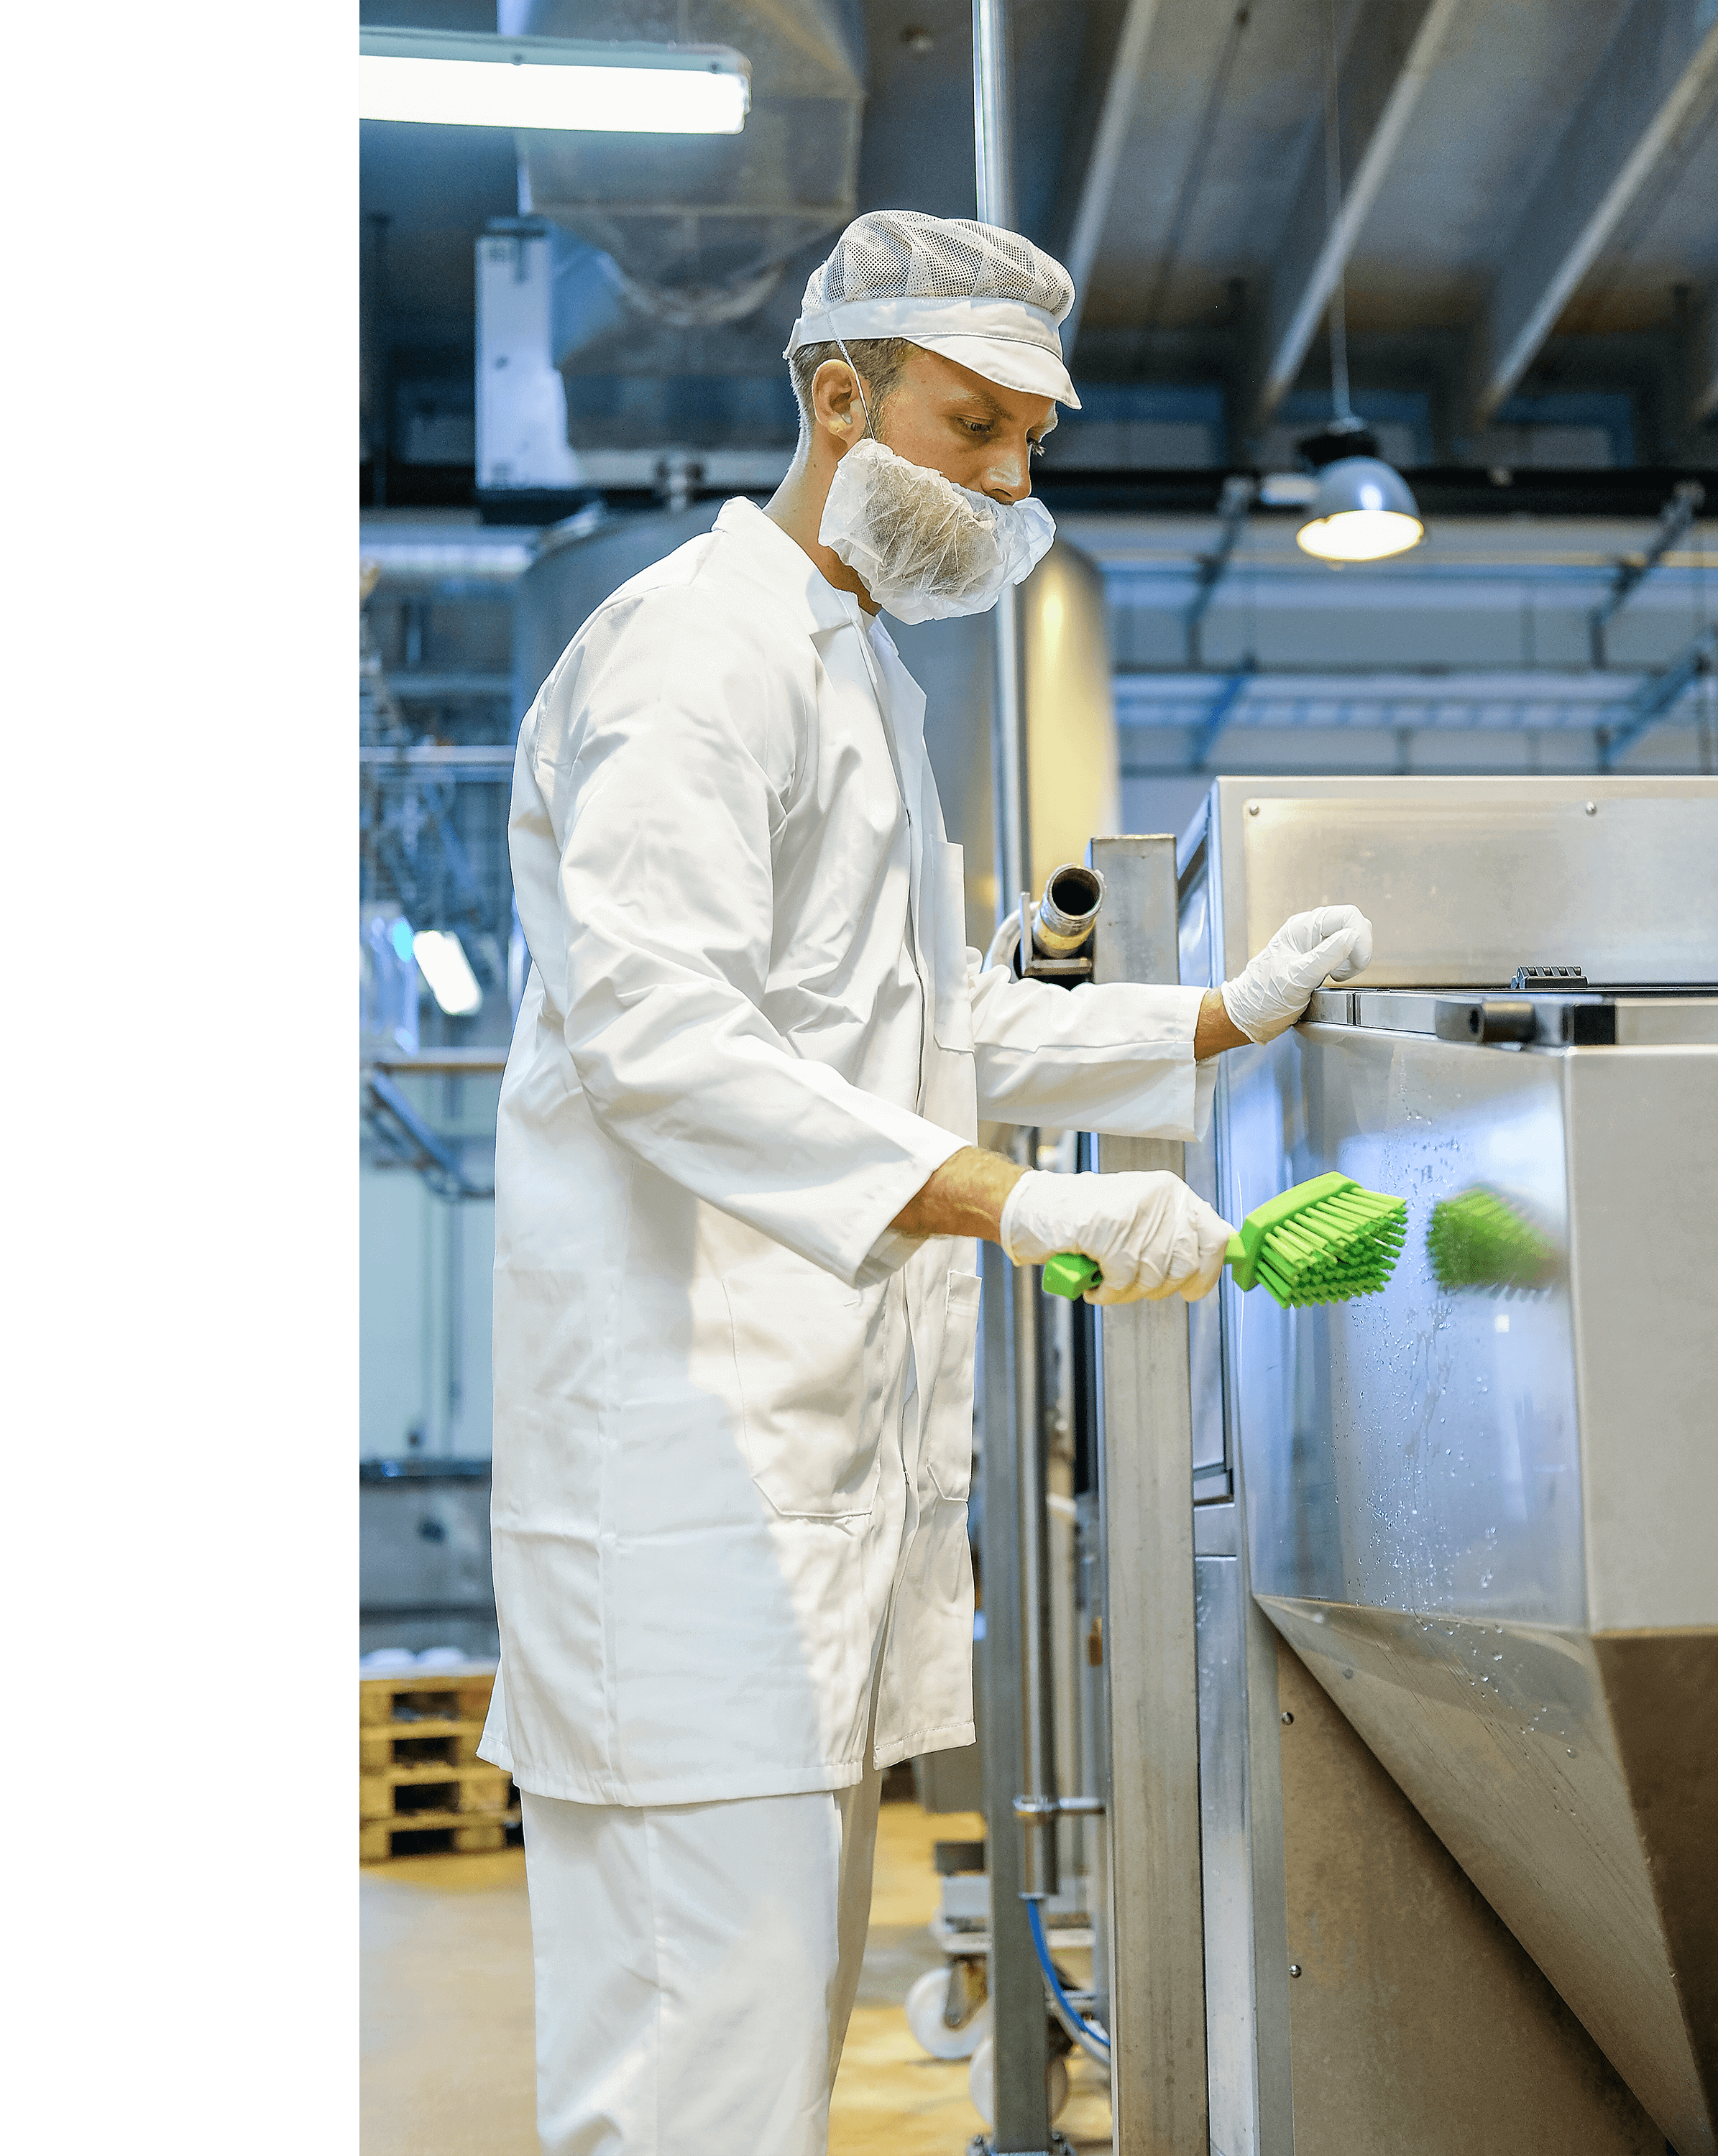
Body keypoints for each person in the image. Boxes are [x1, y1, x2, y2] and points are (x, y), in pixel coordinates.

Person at [477, 210, 1374, 2156]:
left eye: (1028, 445)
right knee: (692, 2091)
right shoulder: (696, 657)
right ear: (839, 399)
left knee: (761, 2069)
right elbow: (659, 1037)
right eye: (973, 429)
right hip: (681, 1505)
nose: (1007, 487)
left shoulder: (858, 681)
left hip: (800, 1513)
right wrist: (1019, 1206)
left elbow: (925, 1024)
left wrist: (1212, 1017)